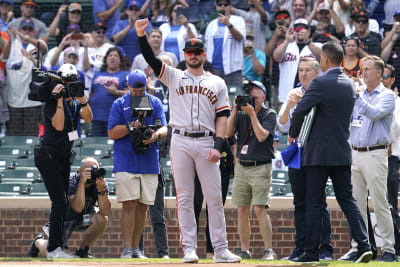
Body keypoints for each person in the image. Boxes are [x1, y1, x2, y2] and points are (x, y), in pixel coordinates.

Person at [135, 18, 241, 263]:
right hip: (180, 140)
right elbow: (151, 60)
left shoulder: (217, 82)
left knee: (214, 197)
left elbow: (223, 117)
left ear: (204, 54)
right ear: (184, 54)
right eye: (189, 52)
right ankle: (189, 249)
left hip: (206, 142)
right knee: (184, 197)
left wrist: (218, 146)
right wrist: (141, 36)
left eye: (197, 52)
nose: (193, 56)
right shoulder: (173, 75)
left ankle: (221, 249)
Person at [288, 41, 372, 263]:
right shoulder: (348, 83)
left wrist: (294, 133)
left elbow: (300, 111)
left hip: (318, 153)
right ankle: (363, 244)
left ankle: (311, 252)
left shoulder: (320, 82)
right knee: (348, 200)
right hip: (342, 151)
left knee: (314, 201)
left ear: (324, 59)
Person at [34, 63, 93, 258]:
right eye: (66, 81)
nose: (69, 85)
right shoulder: (51, 102)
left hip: (64, 156)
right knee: (59, 201)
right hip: (48, 155)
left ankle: (55, 243)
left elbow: (89, 118)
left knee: (62, 202)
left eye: (72, 81)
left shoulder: (75, 102)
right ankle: (53, 248)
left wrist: (83, 100)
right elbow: (58, 126)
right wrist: (59, 99)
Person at [108, 69, 168, 258]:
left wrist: (155, 136)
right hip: (126, 160)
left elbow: (165, 127)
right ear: (128, 86)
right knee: (129, 204)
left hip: (149, 160)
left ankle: (136, 249)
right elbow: (111, 132)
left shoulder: (155, 102)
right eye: (135, 90)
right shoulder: (119, 103)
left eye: (141, 90)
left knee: (143, 205)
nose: (138, 93)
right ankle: (127, 248)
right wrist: (130, 126)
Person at [342, 55, 396, 262]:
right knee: (356, 203)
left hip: (375, 153)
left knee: (380, 202)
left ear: (379, 73)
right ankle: (361, 247)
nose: (362, 72)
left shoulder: (387, 95)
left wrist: (356, 96)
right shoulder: (359, 95)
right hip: (354, 152)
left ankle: (389, 249)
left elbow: (374, 114)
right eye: (362, 69)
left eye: (367, 69)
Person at [277, 57, 333, 261]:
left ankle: (325, 248)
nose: (304, 73)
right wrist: (289, 106)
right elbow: (282, 126)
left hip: (317, 152)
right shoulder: (294, 93)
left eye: (308, 69)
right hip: (297, 151)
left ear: (317, 72)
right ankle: (300, 248)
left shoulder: (323, 92)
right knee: (299, 202)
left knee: (318, 202)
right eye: (301, 70)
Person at [226, 80, 277, 260]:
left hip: (260, 166)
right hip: (242, 166)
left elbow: (262, 136)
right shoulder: (241, 114)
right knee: (242, 209)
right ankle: (244, 250)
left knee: (259, 208)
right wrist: (234, 110)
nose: (252, 101)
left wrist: (252, 115)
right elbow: (227, 133)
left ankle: (269, 250)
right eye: (250, 97)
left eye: (255, 97)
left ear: (263, 97)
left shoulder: (269, 114)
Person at [27, 157, 110, 258]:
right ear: (80, 171)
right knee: (55, 253)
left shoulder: (99, 183)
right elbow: (77, 207)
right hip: (63, 221)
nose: (92, 174)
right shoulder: (71, 181)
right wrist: (82, 183)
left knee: (102, 219)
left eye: (95, 170)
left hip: (83, 219)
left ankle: (82, 250)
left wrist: (101, 191)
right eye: (88, 171)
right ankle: (38, 243)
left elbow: (105, 211)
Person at [3, 18, 47, 136]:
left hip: (33, 103)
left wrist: (29, 40)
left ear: (34, 32)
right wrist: (11, 39)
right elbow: (4, 57)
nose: (27, 31)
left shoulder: (36, 45)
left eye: (30, 29)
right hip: (13, 101)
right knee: (13, 136)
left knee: (31, 138)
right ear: (19, 30)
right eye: (24, 28)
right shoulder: (12, 45)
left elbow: (44, 49)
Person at [273, 18, 321, 105]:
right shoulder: (287, 46)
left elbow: (323, 56)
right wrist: (287, 40)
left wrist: (308, 42)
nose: (299, 31)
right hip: (286, 96)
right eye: (297, 29)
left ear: (309, 31)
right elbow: (276, 57)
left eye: (303, 29)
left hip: (310, 96)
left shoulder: (317, 45)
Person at [204, 0, 245, 90]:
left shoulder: (238, 20)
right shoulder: (211, 24)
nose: (222, 7)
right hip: (214, 68)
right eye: (220, 4)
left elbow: (239, 37)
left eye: (225, 4)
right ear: (216, 7)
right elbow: (207, 46)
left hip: (233, 68)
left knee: (234, 96)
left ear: (230, 7)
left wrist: (228, 24)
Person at [89, 47, 129, 136]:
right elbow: (92, 93)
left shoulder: (125, 74)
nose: (113, 57)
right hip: (97, 116)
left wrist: (116, 92)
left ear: (120, 60)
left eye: (116, 56)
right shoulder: (97, 73)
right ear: (106, 59)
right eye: (110, 55)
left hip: (115, 117)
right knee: (97, 144)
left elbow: (131, 93)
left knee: (111, 145)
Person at [82, 22, 115, 90]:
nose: (101, 34)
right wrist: (85, 48)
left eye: (103, 32)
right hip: (89, 83)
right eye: (98, 32)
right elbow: (85, 68)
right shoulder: (86, 50)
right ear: (92, 34)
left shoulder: (110, 48)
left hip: (104, 82)